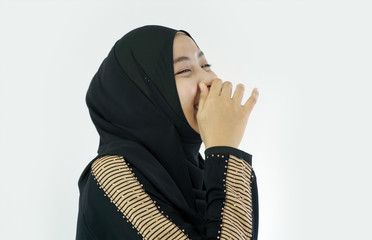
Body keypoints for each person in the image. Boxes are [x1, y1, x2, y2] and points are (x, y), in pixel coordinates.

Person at [75, 25, 260, 240]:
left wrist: (224, 157)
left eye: (206, 65)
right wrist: (225, 151)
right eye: (184, 71)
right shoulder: (112, 177)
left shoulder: (214, 172)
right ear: (143, 97)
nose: (210, 80)